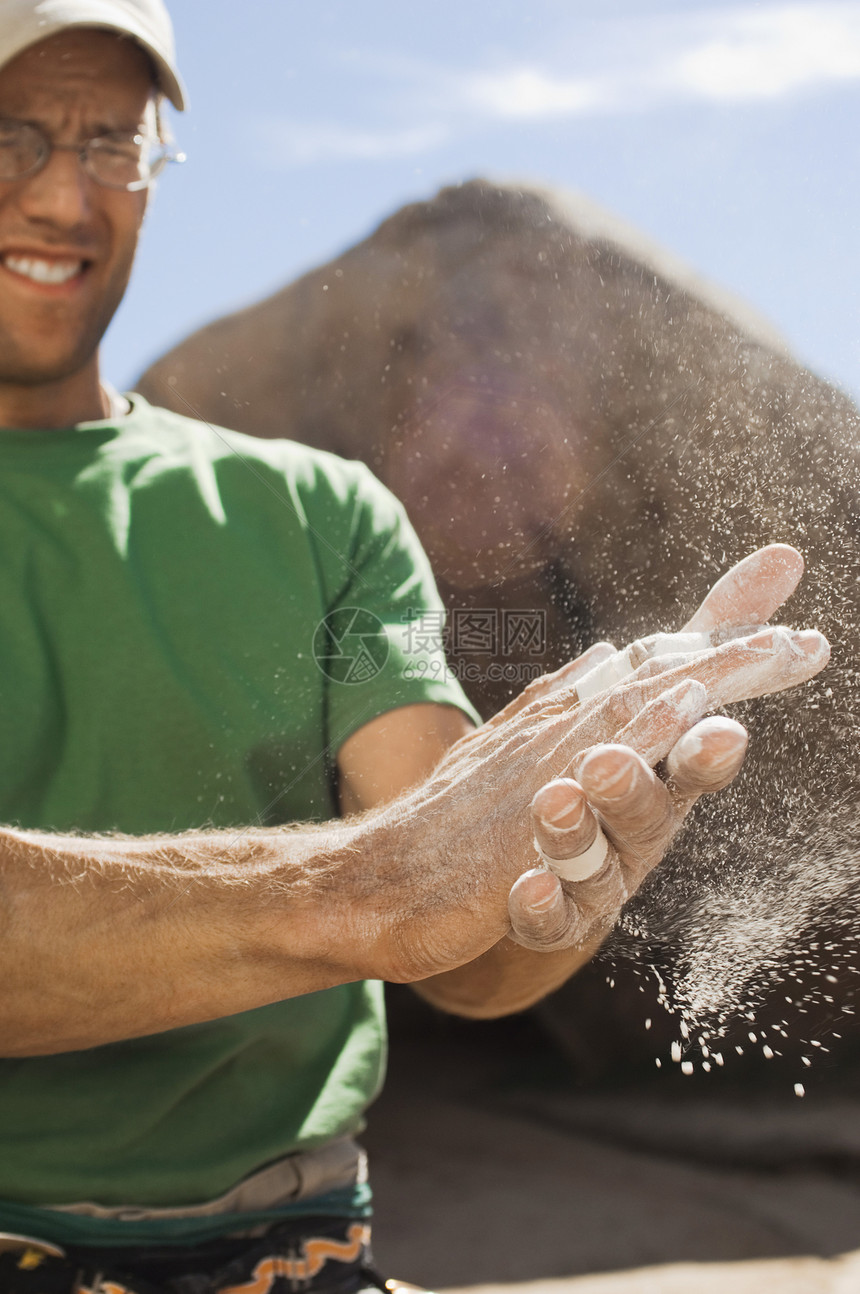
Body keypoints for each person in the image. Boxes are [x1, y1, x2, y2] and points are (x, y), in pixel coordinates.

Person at [0, 3, 830, 1292]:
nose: (63, 194)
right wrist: (369, 890)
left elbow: (467, 947)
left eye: (112, 143)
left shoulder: (317, 514)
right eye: (13, 136)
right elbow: (399, 885)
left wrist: (585, 833)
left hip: (294, 1248)